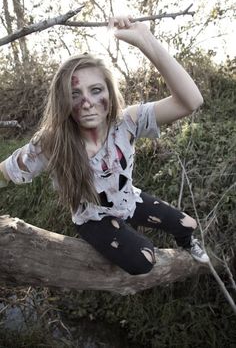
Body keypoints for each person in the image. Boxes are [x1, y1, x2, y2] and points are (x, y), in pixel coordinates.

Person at [0, 16, 209, 275]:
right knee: (144, 260)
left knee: (188, 224)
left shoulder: (127, 122)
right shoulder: (52, 141)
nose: (87, 102)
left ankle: (188, 244)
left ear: (110, 93)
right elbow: (5, 172)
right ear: (62, 101)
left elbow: (190, 101)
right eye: (75, 94)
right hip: (93, 218)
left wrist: (146, 40)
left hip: (127, 199)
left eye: (96, 90)